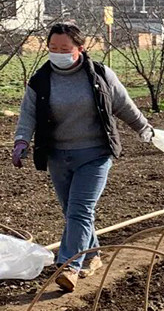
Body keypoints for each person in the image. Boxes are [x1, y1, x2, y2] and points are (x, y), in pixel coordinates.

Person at [12, 22, 154, 293]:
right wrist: (21, 141)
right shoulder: (41, 79)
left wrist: (143, 127)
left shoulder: (100, 75)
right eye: (53, 48)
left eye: (64, 48)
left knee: (80, 210)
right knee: (72, 212)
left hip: (95, 154)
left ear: (81, 47)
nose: (58, 53)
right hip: (58, 156)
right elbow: (28, 113)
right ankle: (92, 256)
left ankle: (69, 266)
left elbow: (123, 104)